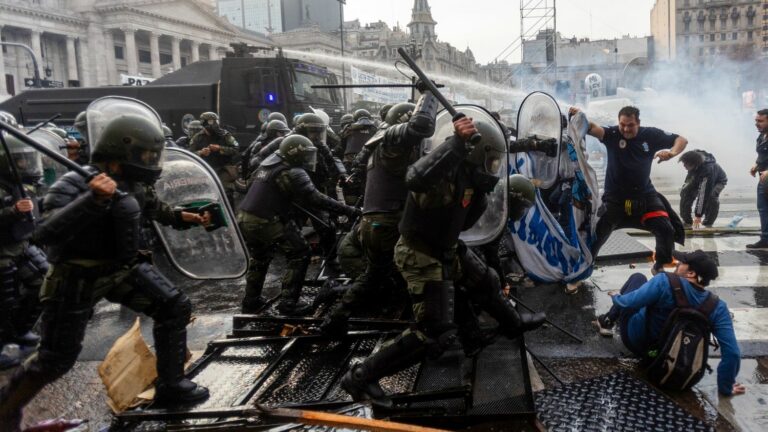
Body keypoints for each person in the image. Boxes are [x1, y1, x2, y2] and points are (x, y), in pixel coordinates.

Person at [0, 113, 212, 429]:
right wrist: (93, 200)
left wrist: (188, 218)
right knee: (55, 359)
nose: (152, 161)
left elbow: (156, 209)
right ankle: (6, 411)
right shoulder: (73, 184)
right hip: (77, 277)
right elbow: (44, 232)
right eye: (146, 155)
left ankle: (171, 385)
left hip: (121, 269)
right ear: (118, 155)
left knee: (174, 307)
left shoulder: (136, 184)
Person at [340, 116, 545, 407]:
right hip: (420, 253)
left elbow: (466, 222)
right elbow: (415, 177)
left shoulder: (469, 178)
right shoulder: (441, 174)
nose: (494, 168)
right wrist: (456, 143)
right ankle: (361, 377)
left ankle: (511, 324)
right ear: (475, 153)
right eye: (492, 161)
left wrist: (481, 194)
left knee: (484, 281)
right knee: (435, 332)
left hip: (446, 246)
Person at [320, 96, 432, 338]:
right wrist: (428, 96)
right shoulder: (392, 147)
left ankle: (337, 314)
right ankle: (337, 316)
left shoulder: (377, 146)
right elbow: (418, 131)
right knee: (395, 271)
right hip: (386, 221)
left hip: (375, 221)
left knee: (380, 273)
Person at [238, 135, 360, 316]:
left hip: (246, 217)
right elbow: (316, 198)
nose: (308, 159)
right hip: (266, 220)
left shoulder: (268, 166)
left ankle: (251, 301)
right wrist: (348, 210)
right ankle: (288, 303)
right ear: (295, 154)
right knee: (300, 253)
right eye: (306, 155)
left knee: (260, 257)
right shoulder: (293, 171)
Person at [594, 250, 744, 396]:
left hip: (638, 344)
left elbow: (629, 303)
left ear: (691, 273)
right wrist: (725, 386)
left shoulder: (664, 281)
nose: (678, 263)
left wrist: (616, 297)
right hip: (677, 361)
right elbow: (732, 353)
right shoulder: (718, 307)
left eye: (683, 262)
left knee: (638, 278)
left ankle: (607, 321)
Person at [571, 106, 688, 274]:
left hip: (644, 195)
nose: (626, 129)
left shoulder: (651, 135)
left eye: (630, 125)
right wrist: (580, 117)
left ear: (638, 123)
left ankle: (660, 265)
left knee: (666, 228)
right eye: (622, 125)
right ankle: (583, 267)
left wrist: (671, 153)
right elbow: (592, 127)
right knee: (598, 233)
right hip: (615, 199)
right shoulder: (611, 134)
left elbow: (681, 140)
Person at [0, 132, 46, 370]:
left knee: (44, 282)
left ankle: (19, 330)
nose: (26, 165)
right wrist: (13, 211)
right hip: (2, 254)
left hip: (22, 246)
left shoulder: (21, 185)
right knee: (3, 302)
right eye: (20, 160)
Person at [188, 112, 240, 203]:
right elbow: (189, 155)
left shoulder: (225, 135)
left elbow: (235, 149)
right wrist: (201, 152)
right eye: (211, 122)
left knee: (226, 193)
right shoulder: (197, 138)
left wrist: (220, 148)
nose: (214, 124)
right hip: (205, 170)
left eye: (215, 121)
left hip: (223, 169)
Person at [678, 150, 727, 229]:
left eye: (685, 164)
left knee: (711, 196)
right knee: (685, 193)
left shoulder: (708, 169)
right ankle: (687, 221)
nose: (684, 166)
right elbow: (687, 184)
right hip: (698, 177)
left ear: (693, 163)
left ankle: (708, 223)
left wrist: (698, 215)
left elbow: (703, 195)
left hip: (717, 181)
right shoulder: (692, 165)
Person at [749, 109, 768, 248]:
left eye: (760, 121)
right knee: (763, 208)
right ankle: (765, 238)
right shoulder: (762, 136)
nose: (757, 123)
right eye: (756, 120)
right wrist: (756, 165)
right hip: (763, 179)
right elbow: (762, 155)